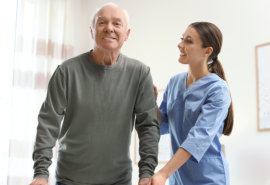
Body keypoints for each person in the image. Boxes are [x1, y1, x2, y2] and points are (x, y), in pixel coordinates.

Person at [30, 3, 159, 185]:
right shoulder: (66, 71)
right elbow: (48, 123)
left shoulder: (140, 73)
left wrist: (146, 173)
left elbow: (148, 127)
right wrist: (41, 174)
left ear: (127, 34)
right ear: (92, 31)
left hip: (119, 181)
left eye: (117, 23)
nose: (109, 28)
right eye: (102, 22)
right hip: (70, 180)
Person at [151, 22, 234, 185]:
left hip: (209, 178)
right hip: (178, 178)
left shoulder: (218, 89)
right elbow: (163, 125)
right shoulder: (174, 82)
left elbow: (198, 138)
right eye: (182, 39)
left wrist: (163, 173)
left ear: (207, 51)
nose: (180, 44)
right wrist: (151, 103)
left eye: (188, 41)